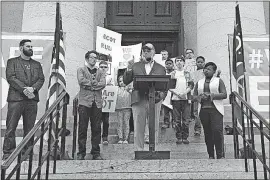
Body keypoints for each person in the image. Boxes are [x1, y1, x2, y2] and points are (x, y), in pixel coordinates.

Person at [3, 39, 45, 160]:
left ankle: (27, 152)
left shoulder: (36, 64)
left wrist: (33, 88)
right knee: (11, 127)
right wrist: (25, 89)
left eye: (31, 46)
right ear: (21, 48)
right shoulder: (12, 62)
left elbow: (41, 79)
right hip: (16, 99)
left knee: (29, 128)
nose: (31, 48)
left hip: (31, 100)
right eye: (28, 46)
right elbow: (11, 77)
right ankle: (8, 152)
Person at [123, 43, 166, 151]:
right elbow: (125, 81)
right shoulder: (135, 65)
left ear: (154, 52)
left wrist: (162, 95)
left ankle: (153, 149)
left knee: (154, 125)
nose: (146, 52)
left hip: (155, 99)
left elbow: (165, 85)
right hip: (139, 98)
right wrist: (128, 68)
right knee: (138, 126)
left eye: (149, 50)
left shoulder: (160, 68)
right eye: (144, 50)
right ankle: (139, 150)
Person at [193, 62, 227, 159]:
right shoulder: (199, 82)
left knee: (217, 131)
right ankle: (211, 154)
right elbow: (193, 96)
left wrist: (212, 95)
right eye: (205, 69)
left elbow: (224, 94)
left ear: (214, 71)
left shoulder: (218, 81)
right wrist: (200, 97)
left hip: (216, 110)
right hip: (203, 110)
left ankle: (220, 154)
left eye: (209, 69)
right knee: (207, 133)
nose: (206, 71)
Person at [77, 50, 106, 160]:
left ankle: (96, 152)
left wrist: (91, 85)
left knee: (97, 128)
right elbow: (81, 81)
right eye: (92, 57)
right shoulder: (81, 70)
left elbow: (103, 84)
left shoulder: (101, 72)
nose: (94, 59)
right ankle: (81, 152)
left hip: (97, 103)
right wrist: (94, 84)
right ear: (87, 58)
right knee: (82, 128)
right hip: (84, 102)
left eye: (95, 58)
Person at [170, 56, 194, 144]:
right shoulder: (172, 74)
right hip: (175, 98)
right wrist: (177, 93)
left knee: (186, 119)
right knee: (176, 119)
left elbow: (191, 85)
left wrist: (184, 93)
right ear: (175, 63)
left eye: (181, 61)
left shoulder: (188, 73)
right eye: (177, 61)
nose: (179, 62)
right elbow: (170, 87)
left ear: (184, 63)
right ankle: (178, 137)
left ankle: (185, 136)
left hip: (186, 99)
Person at [98, 60, 114, 145]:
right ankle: (96, 138)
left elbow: (112, 88)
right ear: (99, 67)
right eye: (101, 67)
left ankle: (105, 137)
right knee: (96, 121)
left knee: (106, 121)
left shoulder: (110, 77)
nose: (103, 69)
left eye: (105, 67)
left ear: (107, 68)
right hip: (97, 101)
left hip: (106, 102)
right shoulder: (95, 76)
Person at [191, 56, 206, 136]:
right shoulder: (194, 73)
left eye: (201, 62)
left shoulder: (206, 72)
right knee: (196, 113)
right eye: (198, 62)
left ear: (204, 63)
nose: (200, 63)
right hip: (197, 94)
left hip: (206, 94)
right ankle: (197, 129)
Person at [115, 75, 132, 144]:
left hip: (127, 108)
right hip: (119, 108)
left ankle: (126, 138)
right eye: (120, 81)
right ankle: (120, 138)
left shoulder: (129, 88)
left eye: (123, 81)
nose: (121, 82)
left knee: (126, 123)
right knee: (120, 123)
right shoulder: (116, 89)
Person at [161, 58, 175, 128]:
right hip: (166, 93)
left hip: (174, 93)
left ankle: (174, 122)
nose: (168, 65)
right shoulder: (163, 73)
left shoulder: (175, 73)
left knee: (174, 110)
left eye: (170, 64)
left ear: (173, 65)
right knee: (165, 109)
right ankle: (166, 122)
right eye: (167, 64)